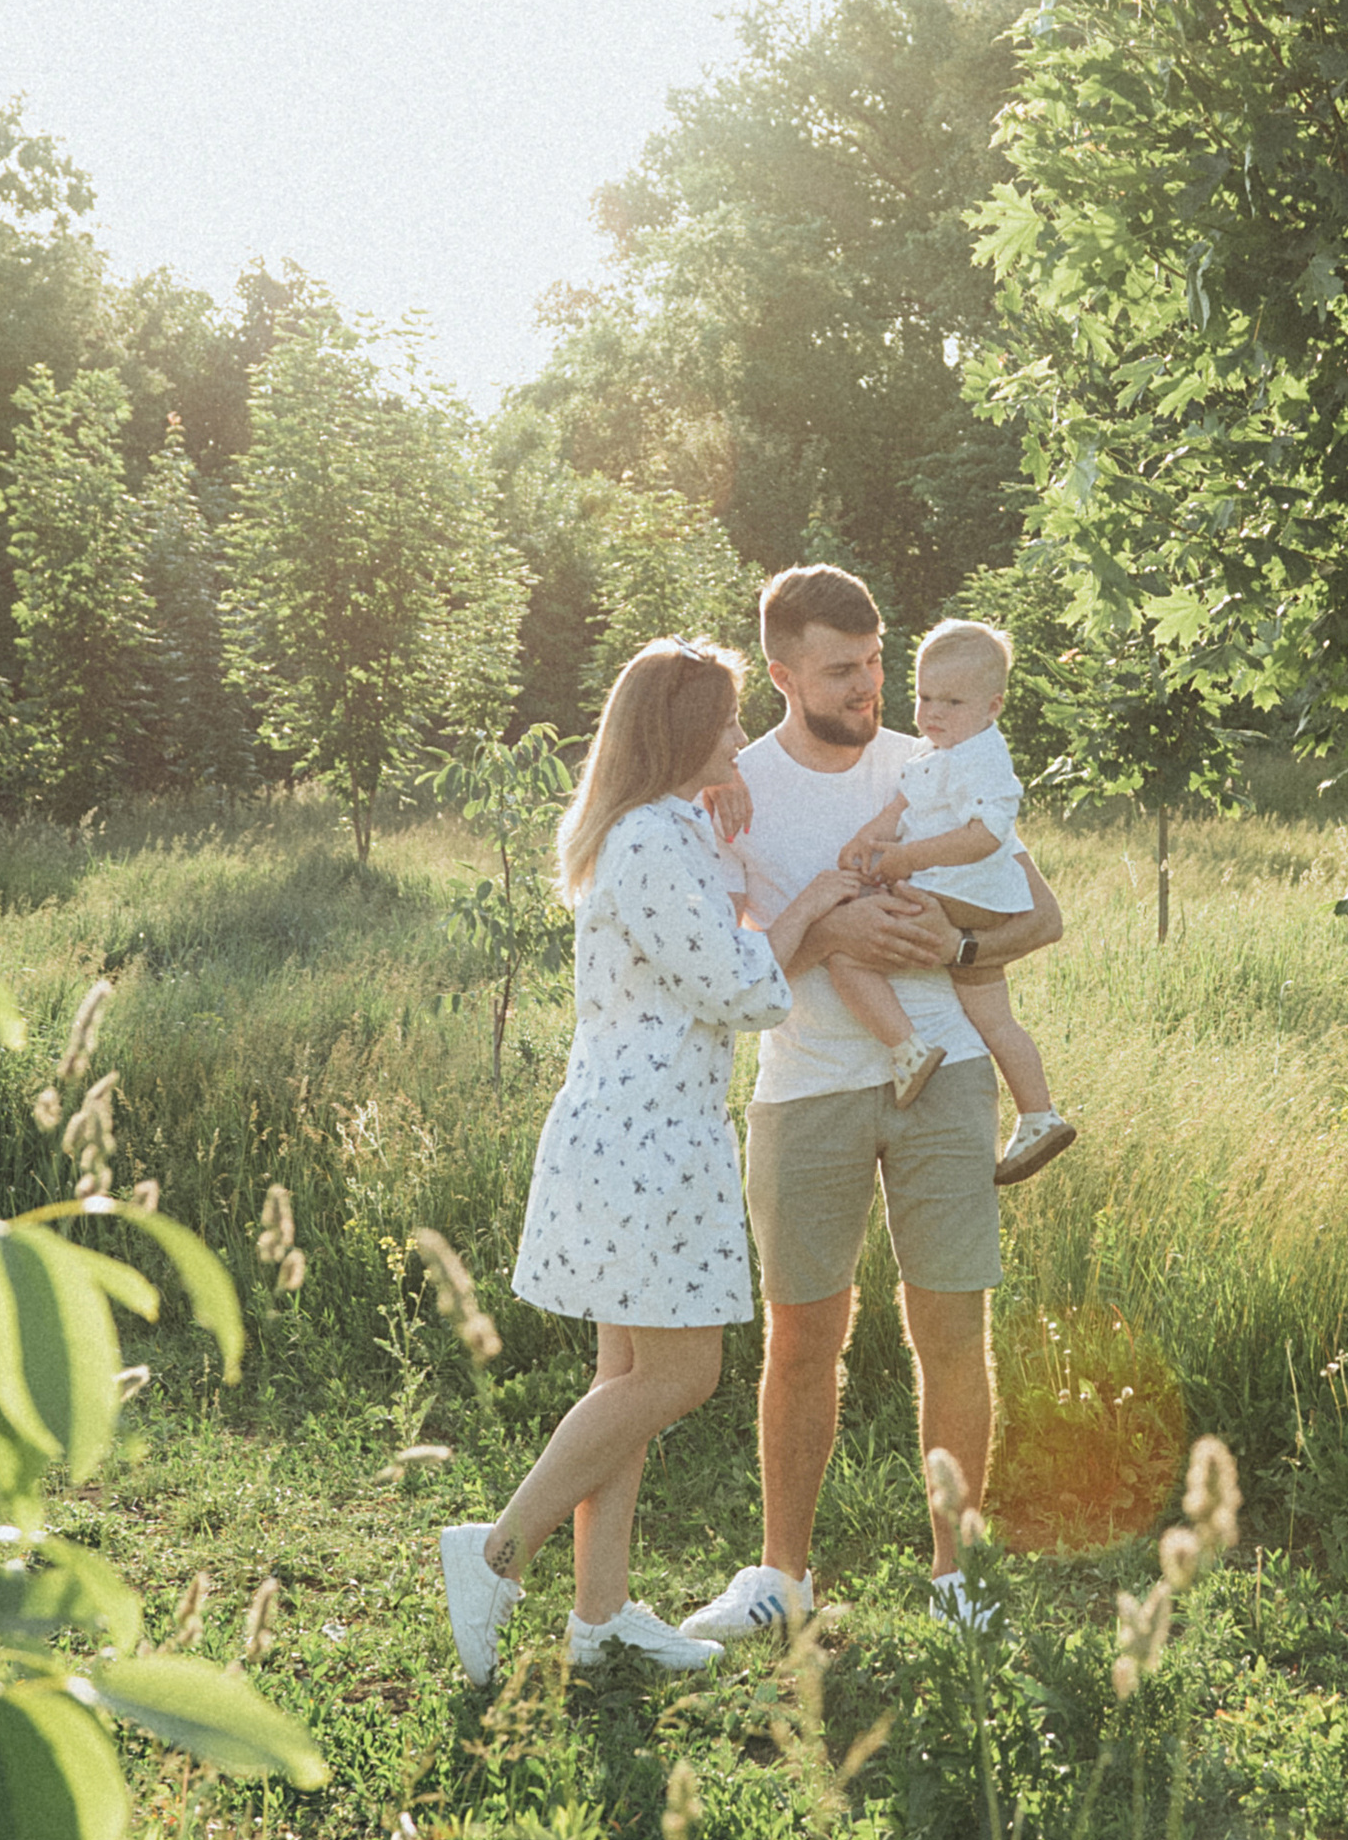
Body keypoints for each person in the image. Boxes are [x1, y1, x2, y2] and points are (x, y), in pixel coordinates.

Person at [436, 637, 861, 1688]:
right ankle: (495, 1549)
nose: (736, 736)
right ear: (679, 732)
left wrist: (736, 860)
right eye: (721, 720)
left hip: (631, 1133)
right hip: (646, 1142)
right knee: (681, 1371)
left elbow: (715, 962)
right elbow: (747, 989)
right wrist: (812, 903)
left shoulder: (660, 832)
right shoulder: (652, 842)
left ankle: (602, 1613)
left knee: (625, 1376)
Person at [680, 563, 1064, 1649]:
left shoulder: (939, 761)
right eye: (843, 668)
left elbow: (1041, 916)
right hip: (806, 1088)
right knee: (802, 1336)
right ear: (783, 670)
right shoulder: (734, 790)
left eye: (878, 661)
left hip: (944, 1079)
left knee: (953, 1326)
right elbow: (722, 961)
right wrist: (831, 932)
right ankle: (780, 1578)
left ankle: (954, 1577)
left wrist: (958, 946)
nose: (872, 685)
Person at [825, 614, 1076, 1185]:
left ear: (993, 706)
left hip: (960, 893)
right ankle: (1039, 1115)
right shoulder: (939, 752)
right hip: (978, 902)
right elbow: (901, 809)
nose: (932, 713)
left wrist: (906, 860)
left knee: (847, 954)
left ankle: (908, 1048)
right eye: (924, 696)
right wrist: (870, 838)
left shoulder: (983, 758)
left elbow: (988, 833)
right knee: (995, 1019)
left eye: (953, 702)